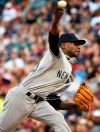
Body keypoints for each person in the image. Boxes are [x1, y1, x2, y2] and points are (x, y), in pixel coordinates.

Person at [0, 5, 86, 132]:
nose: (78, 47)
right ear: (63, 45)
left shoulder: (68, 70)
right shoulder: (57, 55)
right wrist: (56, 21)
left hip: (37, 101)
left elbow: (53, 100)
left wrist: (73, 106)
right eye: (75, 43)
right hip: (22, 97)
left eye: (79, 44)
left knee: (58, 119)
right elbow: (53, 38)